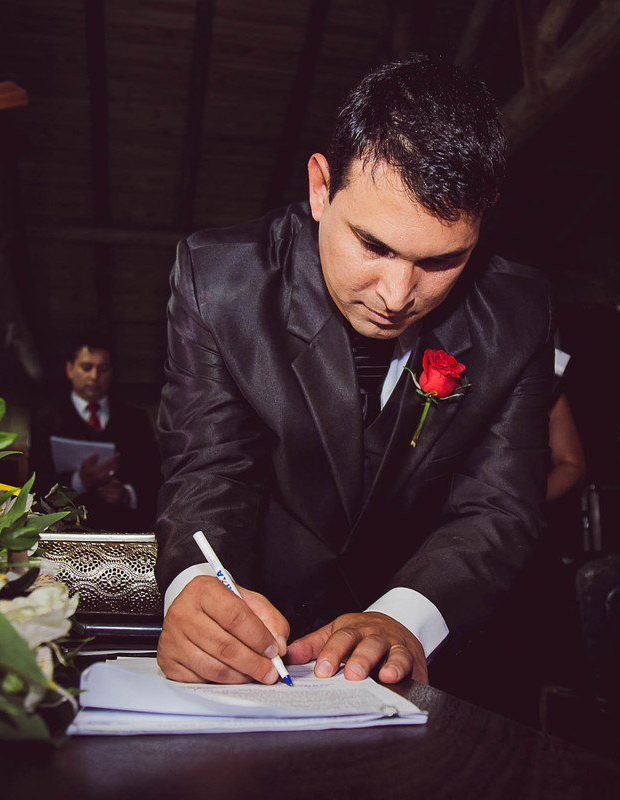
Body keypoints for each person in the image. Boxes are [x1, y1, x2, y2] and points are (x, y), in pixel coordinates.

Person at [153, 55, 553, 689]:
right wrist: (197, 586)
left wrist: (405, 616)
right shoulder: (219, 281)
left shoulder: (519, 314)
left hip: (443, 654)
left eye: (441, 261)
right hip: (266, 639)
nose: (397, 295)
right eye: (373, 245)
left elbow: (500, 505)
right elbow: (210, 469)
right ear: (320, 187)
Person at [29, 333, 160, 531]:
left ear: (112, 372)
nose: (94, 376)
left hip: (124, 530)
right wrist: (80, 481)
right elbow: (35, 483)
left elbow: (154, 480)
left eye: (103, 369)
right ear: (70, 369)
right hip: (67, 532)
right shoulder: (46, 419)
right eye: (86, 367)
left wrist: (127, 495)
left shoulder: (135, 420)